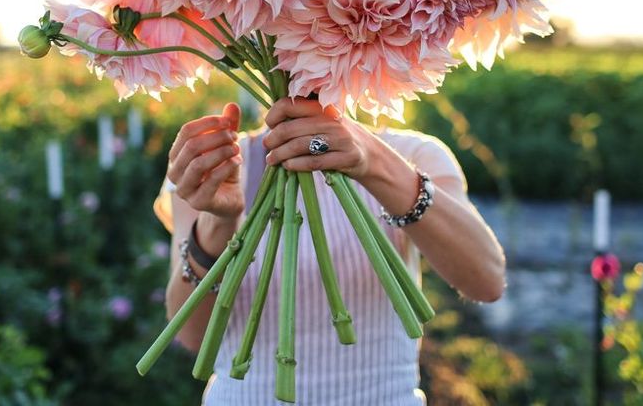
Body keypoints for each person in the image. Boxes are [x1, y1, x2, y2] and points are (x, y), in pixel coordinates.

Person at [153, 98, 506, 405]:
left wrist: (376, 164)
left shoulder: (410, 154)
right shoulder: (215, 166)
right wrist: (219, 222)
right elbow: (192, 336)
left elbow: (486, 280)